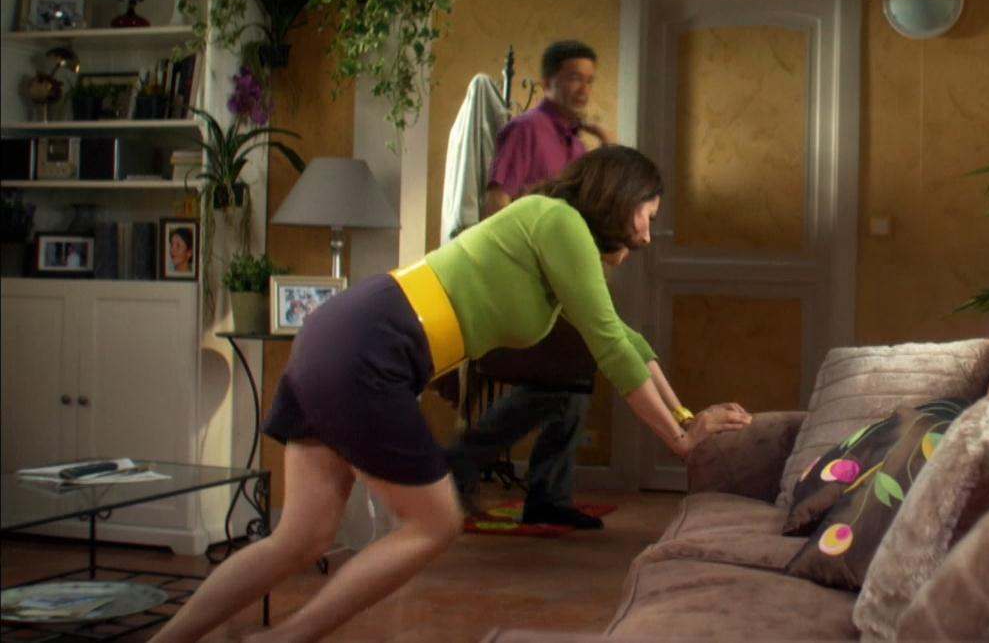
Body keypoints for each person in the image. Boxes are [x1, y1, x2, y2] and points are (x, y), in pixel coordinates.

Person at [151, 146, 752, 643]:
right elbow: (610, 346)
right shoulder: (559, 221)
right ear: (621, 196)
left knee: (302, 538)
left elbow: (625, 337)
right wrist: (680, 440)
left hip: (347, 334)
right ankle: (286, 639)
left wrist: (684, 416)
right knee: (435, 523)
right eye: (648, 212)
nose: (648, 229)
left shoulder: (553, 231)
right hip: (373, 343)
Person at [445, 40, 624, 529]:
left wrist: (604, 140)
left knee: (572, 386)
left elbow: (607, 194)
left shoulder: (576, 145)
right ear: (548, 81)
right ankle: (462, 461)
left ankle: (545, 494)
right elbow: (497, 202)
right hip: (528, 281)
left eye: (589, 80)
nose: (583, 89)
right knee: (560, 383)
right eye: (573, 78)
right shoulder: (525, 130)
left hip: (562, 281)